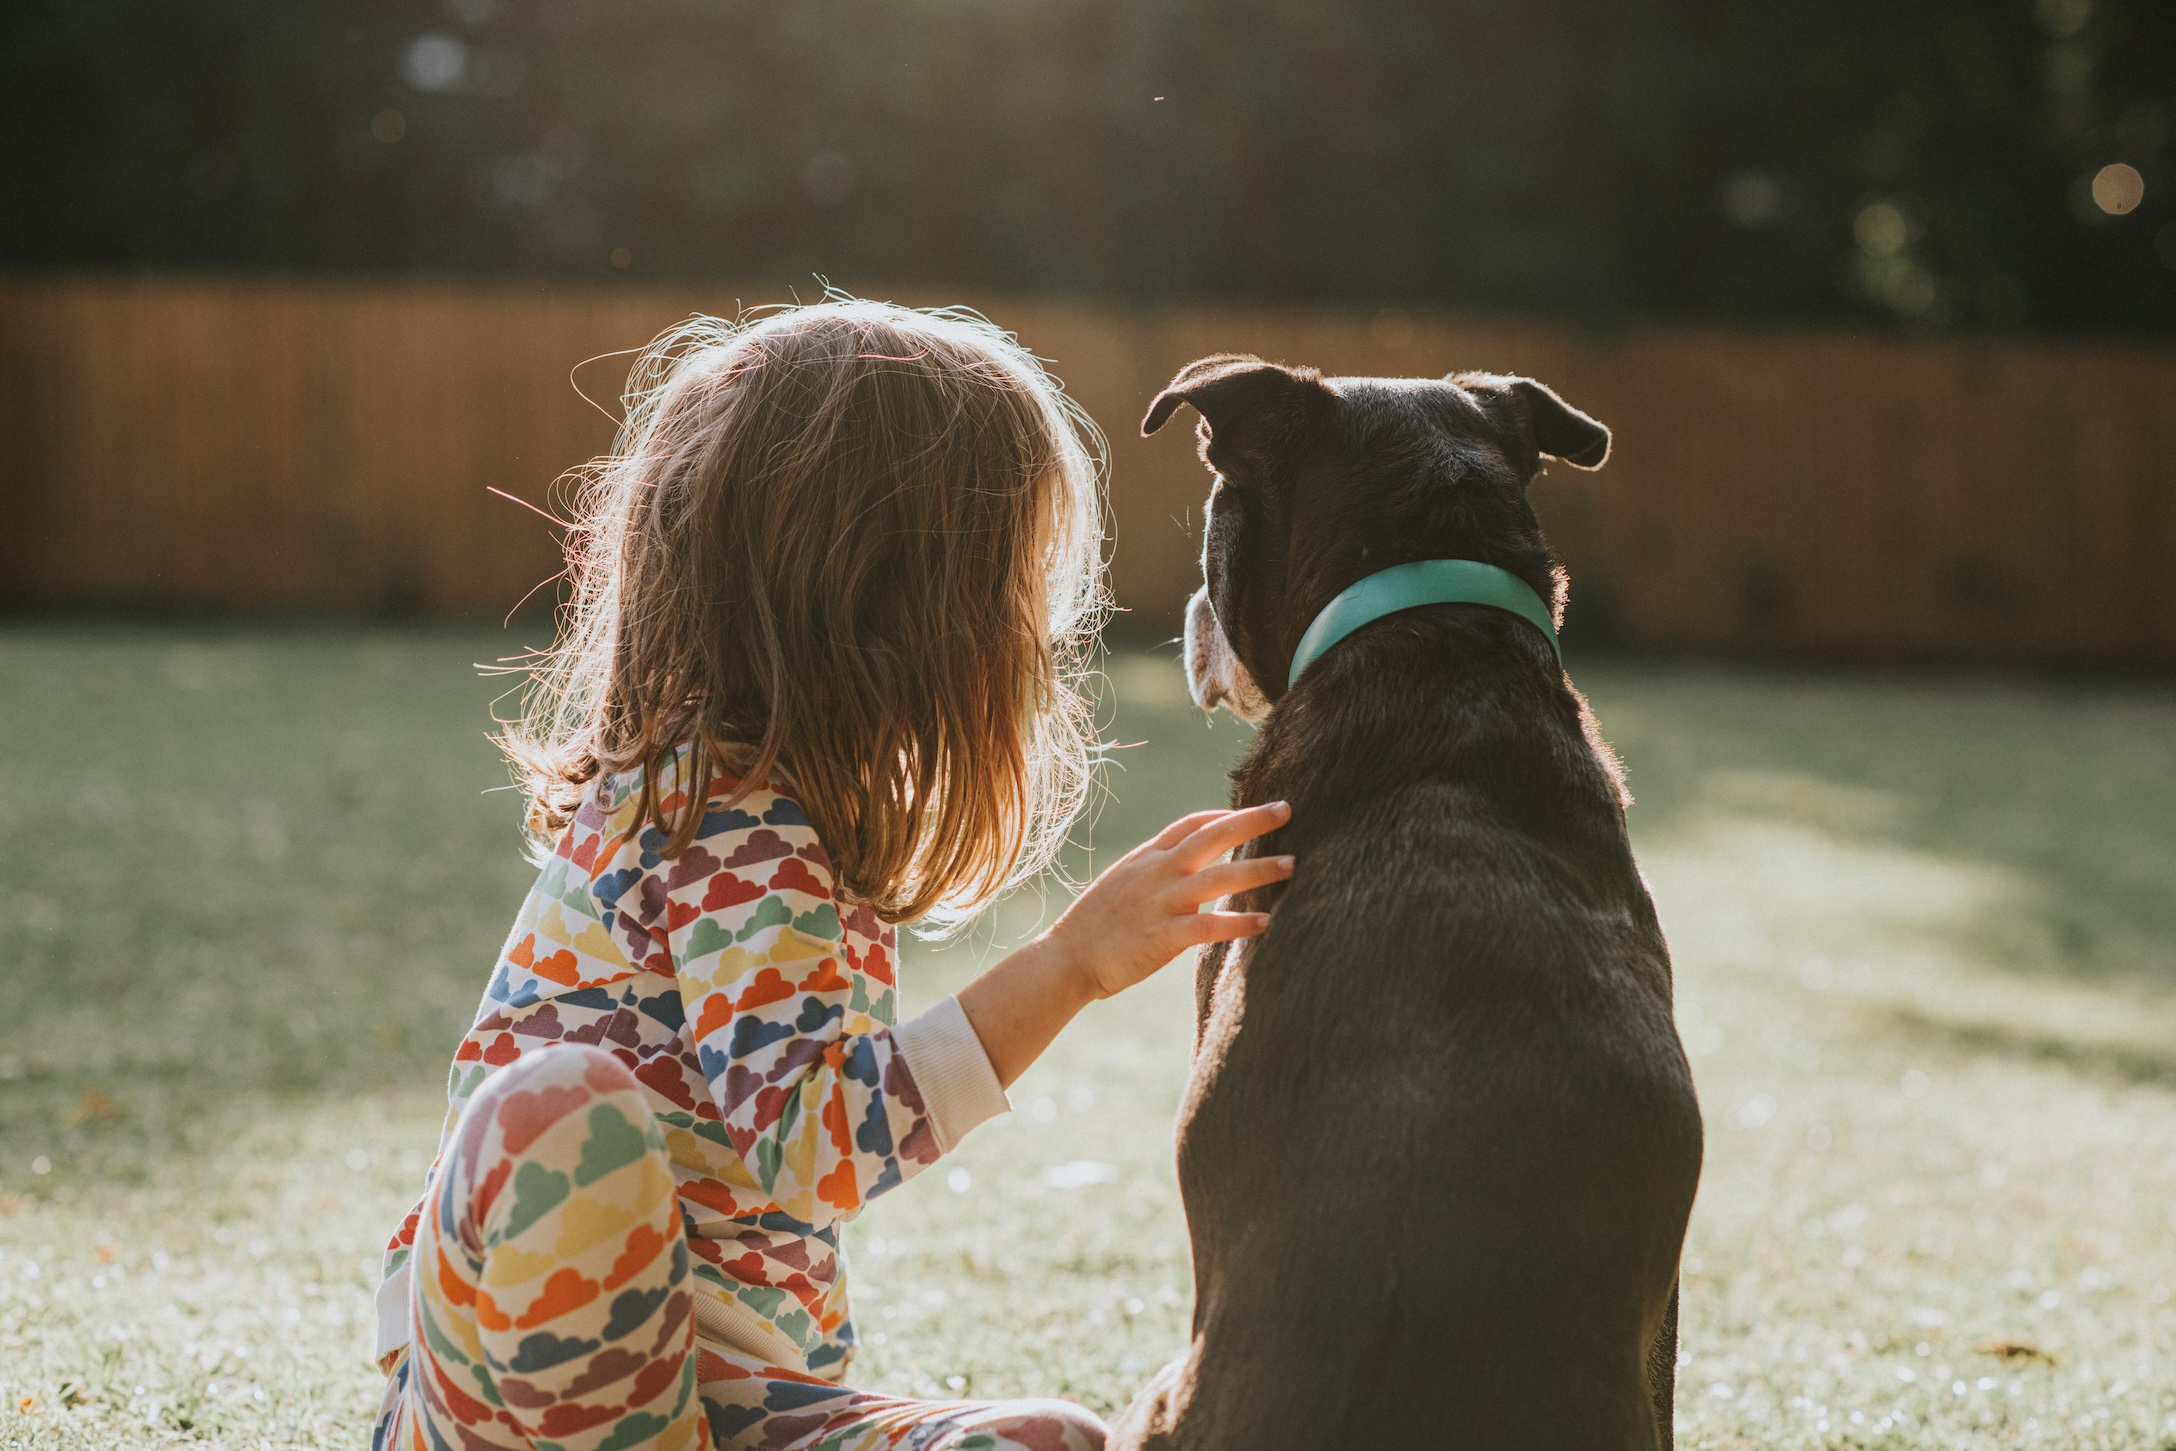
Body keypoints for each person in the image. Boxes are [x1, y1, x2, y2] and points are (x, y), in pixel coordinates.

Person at [370, 300, 1294, 1451]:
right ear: (901, 602)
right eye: (1017, 581)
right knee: (560, 1112)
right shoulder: (723, 816)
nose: (1038, 629)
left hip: (730, 1398)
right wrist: (1071, 963)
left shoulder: (786, 825)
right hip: (517, 1384)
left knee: (1048, 1439)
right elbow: (814, 1139)